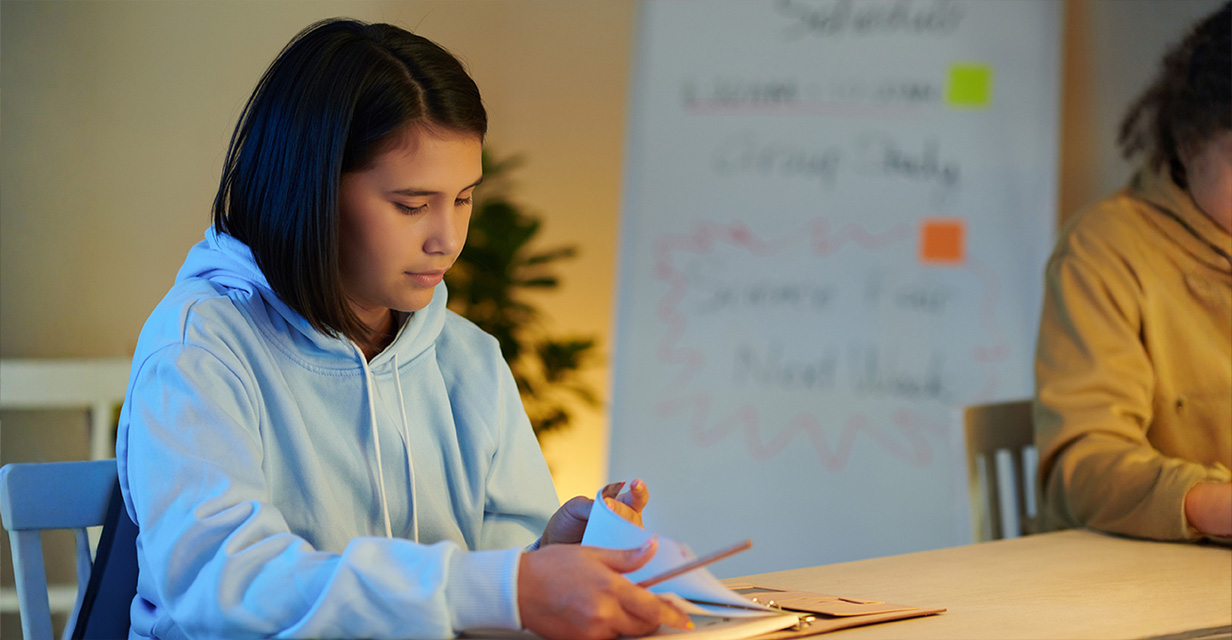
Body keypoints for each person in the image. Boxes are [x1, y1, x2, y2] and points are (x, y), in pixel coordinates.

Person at [116, 18, 690, 640]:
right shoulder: (202, 349)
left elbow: (492, 594)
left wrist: (540, 560)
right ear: (312, 192)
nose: (447, 239)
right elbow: (220, 585)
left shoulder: (467, 358)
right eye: (412, 205)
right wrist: (506, 587)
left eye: (464, 198)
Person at [1034, 2, 1231, 542]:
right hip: (1127, 586)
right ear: (1190, 143)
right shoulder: (1105, 250)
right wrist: (1210, 505)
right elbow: (1085, 467)